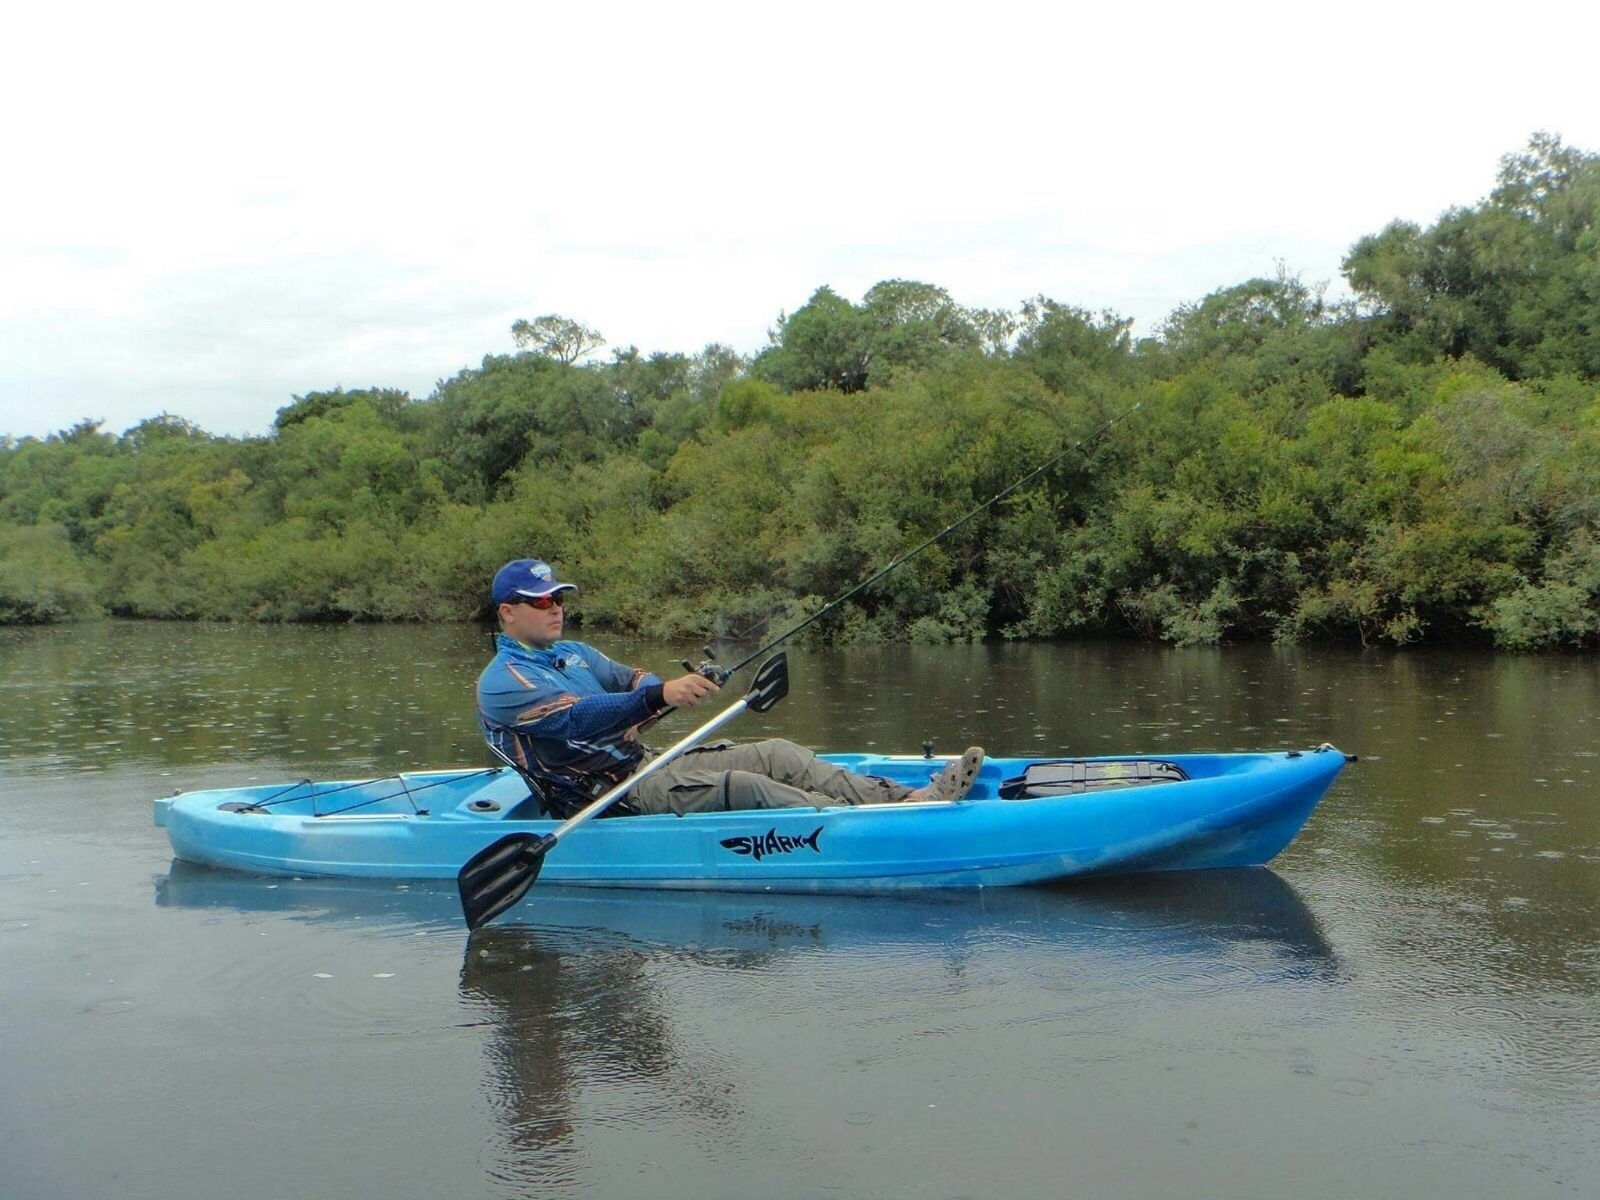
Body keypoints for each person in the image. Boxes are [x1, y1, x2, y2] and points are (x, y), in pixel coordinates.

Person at [476, 558, 984, 818]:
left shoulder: (575, 653)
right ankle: (876, 827)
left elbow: (634, 682)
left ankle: (912, 798)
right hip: (605, 798)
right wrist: (658, 696)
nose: (556, 609)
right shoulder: (502, 684)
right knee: (744, 787)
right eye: (541, 602)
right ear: (508, 612)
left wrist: (681, 686)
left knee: (778, 753)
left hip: (646, 766)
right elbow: (576, 719)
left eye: (558, 599)